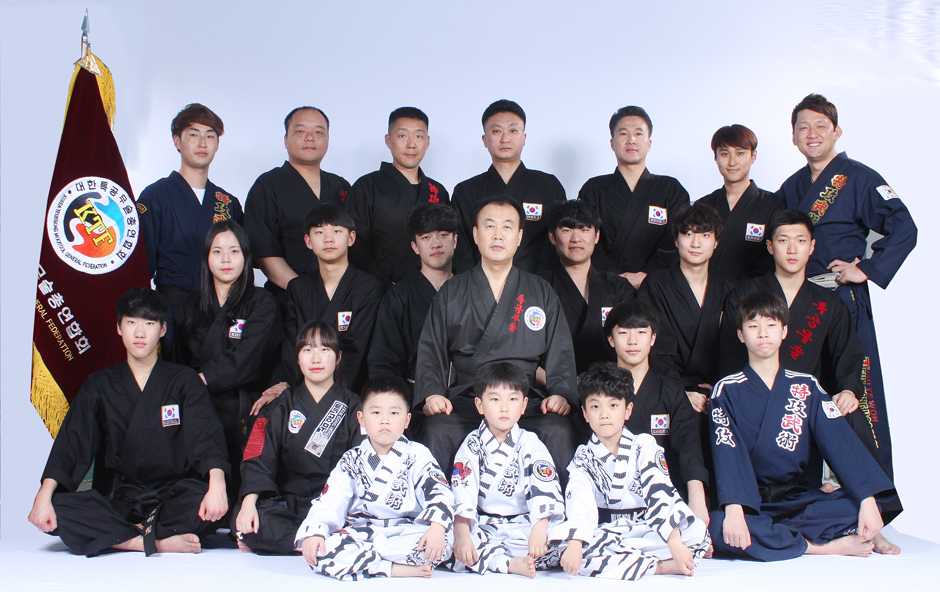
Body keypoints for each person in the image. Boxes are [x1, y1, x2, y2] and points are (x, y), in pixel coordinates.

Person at [717, 209, 903, 554]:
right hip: (753, 404)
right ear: (769, 246)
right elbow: (728, 354)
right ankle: (820, 534)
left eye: (800, 241)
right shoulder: (745, 293)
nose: (792, 249)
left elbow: (848, 353)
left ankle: (871, 516)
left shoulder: (827, 301)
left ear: (812, 247)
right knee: (720, 518)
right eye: (783, 240)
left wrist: (848, 389)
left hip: (802, 406)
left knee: (850, 412)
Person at [28, 288, 229, 556]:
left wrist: (217, 484)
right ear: (119, 327)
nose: (140, 332)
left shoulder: (184, 380)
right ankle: (151, 542)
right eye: (131, 322)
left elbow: (205, 434)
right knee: (59, 509)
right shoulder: (99, 384)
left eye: (149, 323)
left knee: (207, 503)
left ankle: (120, 536)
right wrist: (44, 493)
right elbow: (73, 442)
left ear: (163, 329)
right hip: (121, 498)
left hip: (173, 496)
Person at [777, 94, 916, 477]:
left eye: (821, 126)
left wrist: (866, 269)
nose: (812, 133)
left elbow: (905, 227)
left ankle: (874, 488)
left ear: (837, 131)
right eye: (803, 127)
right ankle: (808, 488)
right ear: (793, 137)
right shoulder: (791, 187)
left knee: (856, 386)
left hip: (843, 298)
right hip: (800, 301)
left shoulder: (860, 177)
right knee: (802, 390)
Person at [414, 195, 578, 476]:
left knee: (556, 428)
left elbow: (560, 350)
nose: (498, 235)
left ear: (519, 237)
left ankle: (556, 503)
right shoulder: (452, 291)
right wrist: (432, 394)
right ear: (476, 235)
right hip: (471, 397)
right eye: (490, 226)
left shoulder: (540, 291)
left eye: (507, 227)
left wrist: (561, 394)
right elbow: (431, 349)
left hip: (523, 398)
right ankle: (440, 501)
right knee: (438, 427)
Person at [550, 363, 710, 580]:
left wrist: (673, 541)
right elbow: (579, 501)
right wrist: (576, 544)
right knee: (569, 549)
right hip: (606, 531)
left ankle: (629, 561)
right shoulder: (583, 457)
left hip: (649, 527)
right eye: (595, 407)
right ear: (585, 414)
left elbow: (660, 488)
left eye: (613, 405)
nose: (604, 414)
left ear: (628, 410)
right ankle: (660, 567)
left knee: (696, 531)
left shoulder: (644, 444)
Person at [296, 376, 455, 579]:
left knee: (444, 540)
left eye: (394, 413)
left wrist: (437, 527)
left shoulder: (418, 454)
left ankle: (367, 562)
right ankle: (391, 568)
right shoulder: (351, 460)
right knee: (322, 549)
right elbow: (330, 500)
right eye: (376, 412)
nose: (384, 420)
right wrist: (316, 532)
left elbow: (439, 492)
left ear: (407, 420)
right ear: (361, 418)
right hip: (363, 533)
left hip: (405, 532)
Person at [173, 221, 283, 501]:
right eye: (217, 251)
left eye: (234, 251)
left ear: (246, 257)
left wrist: (200, 379)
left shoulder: (262, 302)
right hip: (198, 403)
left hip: (243, 401)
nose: (225, 259)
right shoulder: (189, 307)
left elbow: (251, 356)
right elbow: (178, 362)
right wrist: (190, 387)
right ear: (206, 257)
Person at [234, 321, 362, 555]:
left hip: (334, 504)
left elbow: (363, 465)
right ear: (297, 358)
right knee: (251, 517)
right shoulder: (280, 406)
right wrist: (249, 503)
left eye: (324, 349)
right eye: (307, 349)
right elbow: (258, 456)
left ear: (338, 357)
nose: (316, 358)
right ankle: (321, 542)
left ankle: (299, 542)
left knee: (360, 519)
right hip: (289, 504)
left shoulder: (355, 407)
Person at [138, 103, 243, 354]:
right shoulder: (155, 196)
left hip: (218, 312)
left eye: (210, 136)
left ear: (217, 144)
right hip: (170, 312)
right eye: (193, 134)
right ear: (177, 141)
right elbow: (141, 266)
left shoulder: (227, 202)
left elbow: (241, 262)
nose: (202, 143)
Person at [451, 362, 565, 577]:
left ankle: (498, 561)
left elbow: (544, 487)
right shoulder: (472, 444)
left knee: (567, 542)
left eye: (512, 399)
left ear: (524, 405)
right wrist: (463, 536)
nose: (504, 408)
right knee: (448, 542)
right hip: (484, 526)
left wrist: (539, 530)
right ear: (479, 405)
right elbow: (462, 491)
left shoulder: (530, 443)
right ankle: (511, 564)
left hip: (526, 525)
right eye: (495, 399)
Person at [604, 301, 709, 521]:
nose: (633, 341)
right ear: (611, 340)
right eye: (623, 332)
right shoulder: (596, 391)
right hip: (609, 500)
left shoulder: (671, 391)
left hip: (663, 496)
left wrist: (697, 499)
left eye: (641, 332)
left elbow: (688, 445)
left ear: (653, 338)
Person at [268, 204, 381, 395]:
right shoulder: (297, 288)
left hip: (349, 390)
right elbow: (289, 347)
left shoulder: (368, 288)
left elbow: (357, 350)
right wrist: (287, 384)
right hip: (300, 387)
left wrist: (322, 390)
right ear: (308, 241)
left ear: (351, 238)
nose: (328, 239)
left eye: (336, 231)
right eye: (319, 232)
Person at [244, 107, 352, 304]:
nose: (310, 138)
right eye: (300, 131)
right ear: (286, 139)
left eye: (318, 132)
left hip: (340, 297)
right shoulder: (267, 185)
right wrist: (303, 291)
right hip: (289, 297)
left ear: (328, 139)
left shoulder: (341, 186)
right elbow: (264, 250)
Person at [578, 106, 690, 290]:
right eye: (623, 134)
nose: (631, 140)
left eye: (639, 133)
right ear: (612, 143)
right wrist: (616, 278)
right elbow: (583, 237)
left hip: (658, 286)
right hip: (606, 285)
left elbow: (679, 239)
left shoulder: (671, 189)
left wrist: (647, 274)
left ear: (649, 143)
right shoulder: (594, 189)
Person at [637, 203, 735, 410]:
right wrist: (680, 391)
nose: (696, 243)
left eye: (705, 235)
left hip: (720, 389)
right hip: (669, 387)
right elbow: (654, 348)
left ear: (716, 242)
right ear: (676, 240)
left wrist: (720, 388)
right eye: (688, 234)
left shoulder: (730, 288)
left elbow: (734, 348)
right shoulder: (656, 285)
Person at [451, 99, 566, 274]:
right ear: (485, 139)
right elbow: (461, 247)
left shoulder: (548, 186)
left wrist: (540, 284)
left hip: (538, 284)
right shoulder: (466, 191)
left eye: (513, 130)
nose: (505, 139)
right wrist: (472, 284)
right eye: (496, 131)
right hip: (479, 285)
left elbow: (558, 240)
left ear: (524, 138)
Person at [346, 107, 450, 287]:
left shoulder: (438, 191)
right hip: (381, 289)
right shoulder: (366, 187)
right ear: (388, 140)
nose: (411, 144)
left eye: (419, 136)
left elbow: (449, 242)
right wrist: (383, 286)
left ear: (427, 142)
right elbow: (354, 244)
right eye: (402, 135)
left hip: (433, 288)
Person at [540, 199, 635, 375]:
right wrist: (558, 382)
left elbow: (634, 343)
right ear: (552, 237)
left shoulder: (619, 287)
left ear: (596, 236)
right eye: (567, 230)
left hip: (611, 383)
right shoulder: (536, 286)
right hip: (554, 383)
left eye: (584, 230)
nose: (576, 239)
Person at [368, 203, 458, 385]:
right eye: (426, 237)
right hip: (414, 394)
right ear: (415, 247)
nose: (436, 243)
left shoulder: (472, 290)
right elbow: (383, 362)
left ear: (455, 241)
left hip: (468, 395)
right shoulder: (398, 297)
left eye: (443, 235)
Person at [697, 124, 783, 283]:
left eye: (740, 153)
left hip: (755, 293)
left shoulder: (774, 205)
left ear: (753, 156)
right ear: (715, 158)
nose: (732, 162)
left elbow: (775, 256)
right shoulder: (702, 206)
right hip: (707, 291)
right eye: (724, 154)